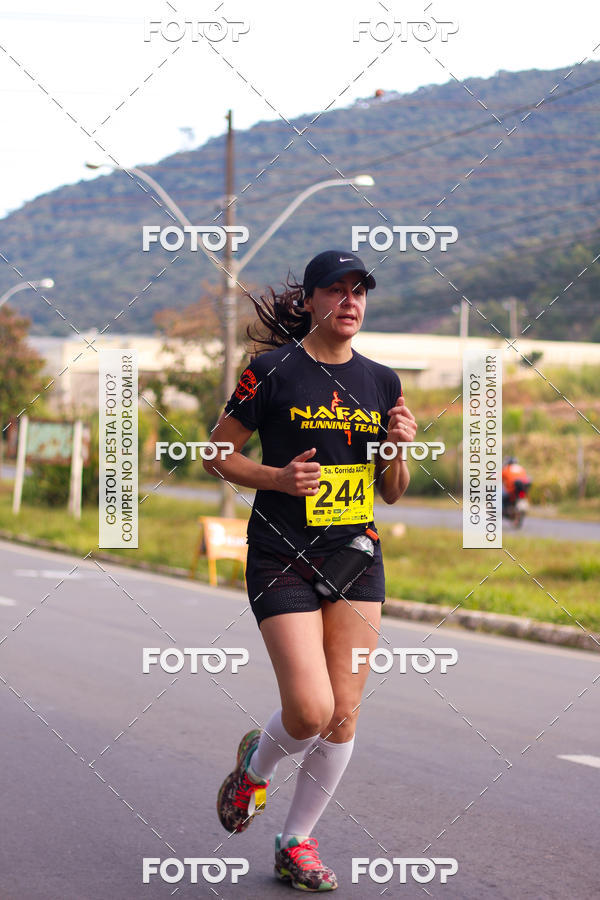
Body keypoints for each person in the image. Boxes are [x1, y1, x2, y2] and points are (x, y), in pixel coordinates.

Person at [204, 249, 418, 891]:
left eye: (360, 292)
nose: (350, 302)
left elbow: (395, 491)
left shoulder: (383, 382)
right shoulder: (270, 372)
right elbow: (218, 453)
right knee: (308, 710)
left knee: (343, 713)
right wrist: (277, 477)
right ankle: (255, 770)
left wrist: (397, 451)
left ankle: (295, 841)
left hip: (355, 557)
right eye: (337, 290)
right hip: (281, 553)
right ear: (312, 301)